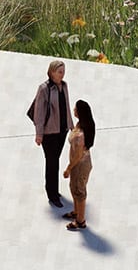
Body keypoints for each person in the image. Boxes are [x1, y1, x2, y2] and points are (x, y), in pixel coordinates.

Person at [33, 60, 73, 207]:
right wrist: (39, 134)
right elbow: (39, 113)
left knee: (55, 160)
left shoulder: (64, 86)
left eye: (63, 71)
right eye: (59, 71)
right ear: (51, 72)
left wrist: (71, 125)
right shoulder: (44, 89)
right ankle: (52, 194)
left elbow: (67, 106)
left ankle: (54, 189)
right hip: (49, 132)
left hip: (62, 131)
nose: (62, 74)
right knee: (52, 162)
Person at [63, 99, 95, 231]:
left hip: (79, 165)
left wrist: (68, 168)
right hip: (81, 163)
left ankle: (80, 221)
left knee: (79, 192)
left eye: (75, 109)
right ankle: (76, 212)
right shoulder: (81, 125)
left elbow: (78, 155)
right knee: (74, 188)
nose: (74, 110)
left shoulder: (80, 135)